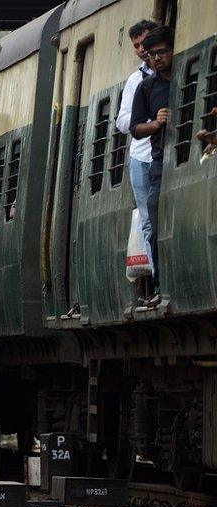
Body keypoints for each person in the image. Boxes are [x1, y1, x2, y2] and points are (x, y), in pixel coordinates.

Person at [130, 25, 174, 308]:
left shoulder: (183, 77)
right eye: (152, 54)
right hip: (159, 164)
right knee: (155, 226)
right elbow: (134, 127)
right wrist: (156, 124)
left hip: (183, 158)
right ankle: (159, 285)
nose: (156, 58)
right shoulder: (147, 87)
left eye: (162, 53)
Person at [116, 19, 159, 303]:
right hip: (139, 156)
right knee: (147, 220)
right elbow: (121, 121)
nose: (141, 50)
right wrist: (145, 119)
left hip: (160, 153)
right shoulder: (134, 80)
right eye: (136, 46)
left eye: (144, 43)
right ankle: (157, 282)